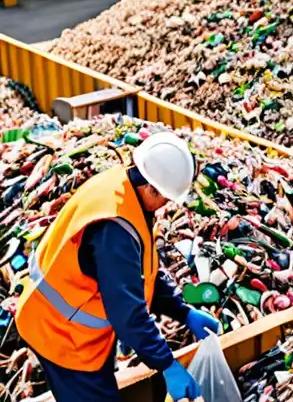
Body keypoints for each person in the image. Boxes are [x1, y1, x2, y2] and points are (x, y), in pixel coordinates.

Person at [16, 132, 221, 402]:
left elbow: (141, 272)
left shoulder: (123, 187)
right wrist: (167, 365)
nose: (166, 206)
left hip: (70, 327)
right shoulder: (115, 230)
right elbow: (128, 313)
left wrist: (181, 311)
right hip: (60, 335)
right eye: (166, 199)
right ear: (152, 188)